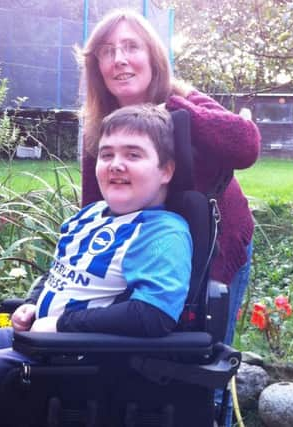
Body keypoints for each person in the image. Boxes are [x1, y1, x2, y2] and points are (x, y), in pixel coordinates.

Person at [0, 104, 192, 427]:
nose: (116, 165)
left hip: (83, 355)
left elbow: (154, 315)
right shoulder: (90, 215)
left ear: (166, 170)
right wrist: (31, 303)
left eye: (133, 155)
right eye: (107, 154)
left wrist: (61, 325)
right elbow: (60, 274)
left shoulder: (162, 232)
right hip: (43, 340)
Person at [80, 8, 260, 349]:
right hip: (153, 251)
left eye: (131, 47)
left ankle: (215, 403)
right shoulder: (99, 128)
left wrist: (176, 112)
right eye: (107, 50)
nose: (119, 59)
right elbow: (95, 208)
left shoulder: (186, 100)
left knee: (207, 352)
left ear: (152, 56)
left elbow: (247, 145)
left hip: (218, 243)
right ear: (97, 67)